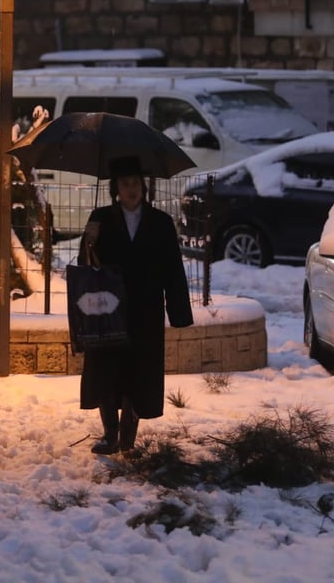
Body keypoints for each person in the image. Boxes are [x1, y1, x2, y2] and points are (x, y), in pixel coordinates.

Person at [78, 155, 193, 454]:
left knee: (138, 372)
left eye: (135, 183)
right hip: (109, 310)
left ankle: (128, 437)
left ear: (144, 186)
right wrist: (88, 241)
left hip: (145, 310)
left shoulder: (160, 223)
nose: (131, 189)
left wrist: (179, 312)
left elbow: (172, 269)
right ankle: (109, 435)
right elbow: (86, 267)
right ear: (116, 187)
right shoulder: (100, 219)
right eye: (125, 183)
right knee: (107, 368)